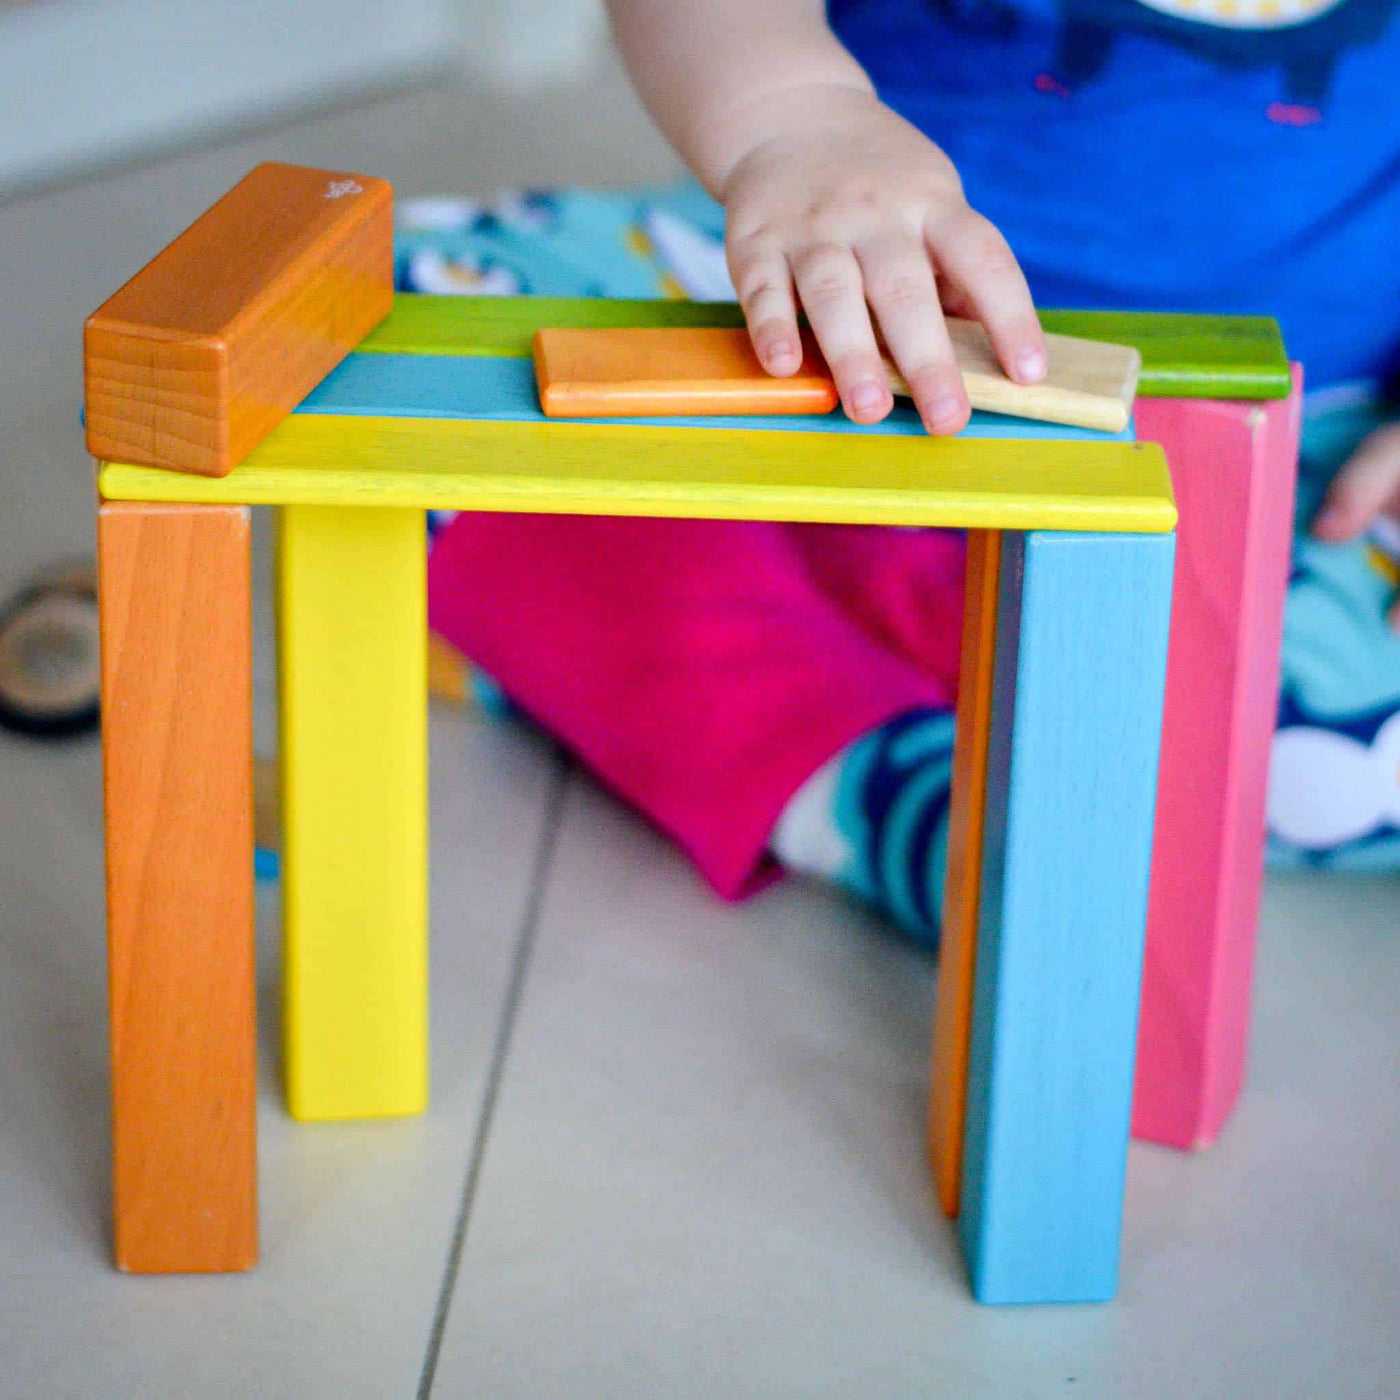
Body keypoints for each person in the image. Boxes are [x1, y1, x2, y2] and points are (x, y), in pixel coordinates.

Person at [417, 0, 1400, 947]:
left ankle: (828, 698)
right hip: (807, 339)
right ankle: (884, 778)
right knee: (395, 337)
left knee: (1331, 721)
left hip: (1298, 452)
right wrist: (794, 119)